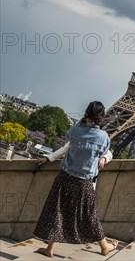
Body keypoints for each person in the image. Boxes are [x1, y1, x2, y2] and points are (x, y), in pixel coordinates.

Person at [34, 101, 117, 258]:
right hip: (84, 183)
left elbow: (68, 145)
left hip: (65, 177)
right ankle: (105, 246)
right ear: (102, 117)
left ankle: (49, 248)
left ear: (86, 112)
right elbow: (107, 151)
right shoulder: (103, 137)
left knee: (57, 212)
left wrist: (49, 158)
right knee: (90, 216)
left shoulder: (76, 130)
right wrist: (104, 158)